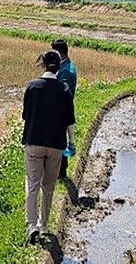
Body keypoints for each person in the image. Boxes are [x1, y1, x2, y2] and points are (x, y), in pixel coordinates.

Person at [22, 49, 75, 243]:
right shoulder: (64, 89)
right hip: (55, 145)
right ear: (59, 66)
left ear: (42, 64)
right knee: (48, 187)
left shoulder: (33, 87)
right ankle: (43, 225)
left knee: (32, 184)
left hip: (33, 142)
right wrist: (72, 143)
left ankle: (30, 225)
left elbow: (25, 115)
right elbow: (70, 121)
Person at [51, 38, 78, 179]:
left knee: (60, 142)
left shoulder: (66, 71)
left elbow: (63, 94)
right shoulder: (66, 67)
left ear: (58, 53)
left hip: (61, 112)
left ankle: (61, 173)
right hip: (61, 111)